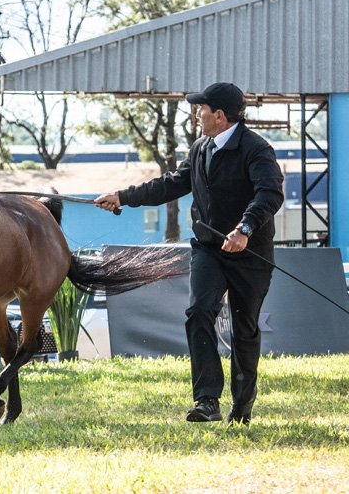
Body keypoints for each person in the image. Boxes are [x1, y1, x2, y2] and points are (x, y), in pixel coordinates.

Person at [95, 82, 284, 425]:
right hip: (209, 249)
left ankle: (241, 407)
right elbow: (171, 184)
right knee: (199, 311)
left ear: (220, 115)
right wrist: (123, 196)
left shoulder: (257, 149)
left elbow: (270, 193)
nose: (197, 114)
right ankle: (207, 400)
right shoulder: (201, 147)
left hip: (249, 252)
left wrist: (245, 228)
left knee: (244, 328)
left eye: (202, 109)